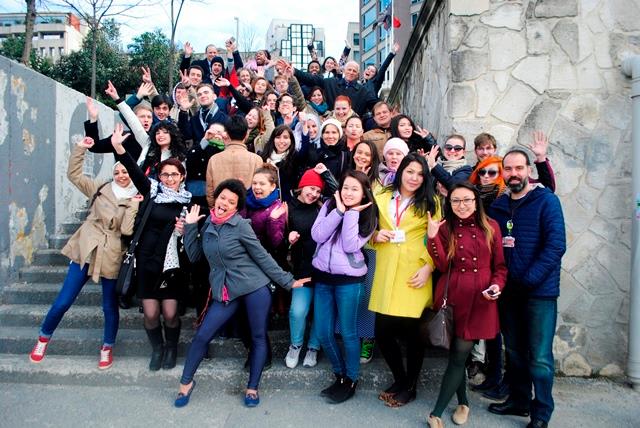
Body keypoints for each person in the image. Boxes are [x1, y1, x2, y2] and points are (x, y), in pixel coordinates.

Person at [174, 180, 309, 408]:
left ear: (236, 208)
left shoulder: (241, 226)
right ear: (215, 198)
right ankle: (186, 383)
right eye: (222, 198)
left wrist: (289, 281)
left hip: (254, 287)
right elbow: (195, 256)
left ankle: (252, 388)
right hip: (226, 291)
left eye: (231, 201)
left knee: (258, 336)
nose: (224, 203)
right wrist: (189, 228)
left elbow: (262, 256)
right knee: (202, 336)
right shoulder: (207, 224)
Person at [29, 135, 140, 369]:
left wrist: (133, 206)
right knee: (64, 300)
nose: (121, 176)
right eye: (117, 172)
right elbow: (74, 175)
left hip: (112, 253)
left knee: (109, 306)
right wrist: (79, 149)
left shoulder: (136, 197)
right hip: (87, 247)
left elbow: (126, 230)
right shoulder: (100, 187)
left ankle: (107, 347)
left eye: (125, 171)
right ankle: (43, 338)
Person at [487, 150, 566, 428]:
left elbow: (556, 245)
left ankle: (541, 412)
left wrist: (529, 279)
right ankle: (519, 401)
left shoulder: (546, 201)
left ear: (528, 170)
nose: (513, 174)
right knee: (515, 351)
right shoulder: (498, 206)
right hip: (509, 292)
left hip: (539, 293)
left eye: (519, 168)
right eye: (508, 169)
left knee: (540, 357)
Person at [425, 183, 507, 428]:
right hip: (454, 295)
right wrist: (432, 237)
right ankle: (463, 403)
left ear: (476, 201)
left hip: (480, 299)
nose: (462, 205)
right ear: (449, 203)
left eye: (467, 200)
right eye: (456, 201)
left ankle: (436, 413)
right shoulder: (444, 227)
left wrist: (496, 286)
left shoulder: (491, 226)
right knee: (456, 355)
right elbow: (441, 265)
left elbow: (500, 267)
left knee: (460, 352)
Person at [111, 127, 192, 372]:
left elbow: (192, 241)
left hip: (171, 266)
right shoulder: (153, 192)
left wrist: (186, 230)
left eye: (174, 174)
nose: (169, 178)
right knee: (150, 313)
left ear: (182, 176)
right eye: (165, 174)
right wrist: (119, 148)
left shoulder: (189, 203)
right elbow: (134, 171)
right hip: (147, 262)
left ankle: (171, 348)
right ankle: (157, 349)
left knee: (170, 313)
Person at [369, 153, 439, 408]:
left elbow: (439, 239)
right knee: (382, 331)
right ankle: (400, 379)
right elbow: (364, 227)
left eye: (420, 174)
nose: (414, 178)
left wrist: (429, 267)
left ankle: (410, 386)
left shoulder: (431, 201)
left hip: (414, 272)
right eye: (410, 171)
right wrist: (375, 235)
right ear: (400, 172)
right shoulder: (380, 195)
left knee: (413, 335)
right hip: (386, 269)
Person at [311, 170, 377, 403]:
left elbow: (350, 245)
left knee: (349, 333)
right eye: (345, 187)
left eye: (354, 189)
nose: (348, 193)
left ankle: (352, 379)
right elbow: (318, 235)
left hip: (349, 282)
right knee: (323, 331)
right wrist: (339, 211)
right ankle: (340, 374)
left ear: (364, 193)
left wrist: (351, 215)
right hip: (323, 278)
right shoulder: (330, 205)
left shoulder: (369, 214)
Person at [285, 168, 325, 369]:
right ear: (301, 187)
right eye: (311, 188)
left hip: (323, 269)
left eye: (318, 191)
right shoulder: (287, 207)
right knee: (298, 311)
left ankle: (313, 347)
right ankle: (296, 345)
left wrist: (325, 175)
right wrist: (288, 238)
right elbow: (277, 237)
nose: (314, 194)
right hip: (301, 269)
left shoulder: (323, 207)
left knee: (321, 312)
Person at [206, 116, 264, 208]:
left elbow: (210, 192)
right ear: (246, 135)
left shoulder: (214, 159)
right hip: (246, 211)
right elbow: (260, 190)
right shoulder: (256, 160)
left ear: (227, 135)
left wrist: (216, 209)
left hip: (220, 209)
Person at [286, 59, 379, 117]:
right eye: (349, 69)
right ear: (344, 70)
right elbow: (312, 79)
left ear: (357, 74)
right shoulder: (330, 82)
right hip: (331, 126)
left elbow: (376, 106)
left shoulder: (364, 91)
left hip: (351, 129)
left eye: (354, 71)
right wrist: (294, 71)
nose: (351, 72)